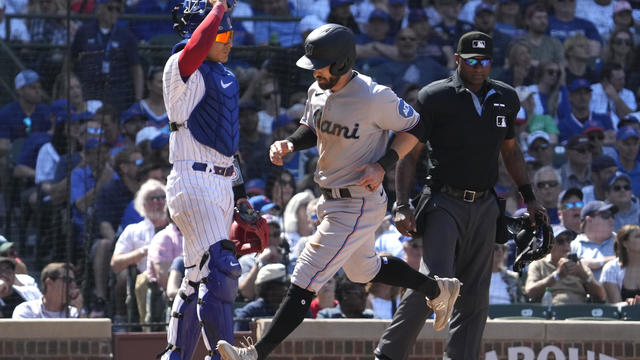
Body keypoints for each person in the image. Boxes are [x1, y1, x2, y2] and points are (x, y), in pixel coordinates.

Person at [217, 24, 460, 360]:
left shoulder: (375, 96)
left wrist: (384, 164)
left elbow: (418, 127)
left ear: (344, 63)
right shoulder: (319, 90)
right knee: (365, 272)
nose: (315, 70)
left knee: (304, 276)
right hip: (329, 198)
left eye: (321, 65)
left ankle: (255, 353)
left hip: (358, 201)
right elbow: (312, 127)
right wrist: (290, 142)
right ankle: (439, 288)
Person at [375, 31, 547, 360]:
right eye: (471, 61)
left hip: (485, 204)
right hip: (443, 200)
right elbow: (409, 153)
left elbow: (510, 152)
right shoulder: (434, 96)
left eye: (484, 62)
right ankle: (388, 355)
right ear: (457, 60)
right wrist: (401, 204)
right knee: (436, 281)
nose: (478, 67)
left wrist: (530, 197)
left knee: (476, 295)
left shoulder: (506, 97)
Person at [160, 0, 253, 358]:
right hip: (192, 179)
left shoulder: (225, 74)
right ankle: (222, 353)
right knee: (222, 267)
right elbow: (196, 48)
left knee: (196, 276)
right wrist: (217, 10)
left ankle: (176, 354)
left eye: (230, 32)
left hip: (220, 182)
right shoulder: (180, 67)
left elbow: (226, 146)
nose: (229, 41)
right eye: (222, 34)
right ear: (201, 32)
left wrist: (241, 196)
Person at [525, 226, 606, 304]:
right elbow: (529, 292)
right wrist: (557, 275)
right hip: (551, 312)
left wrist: (583, 275)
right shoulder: (539, 264)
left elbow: (601, 295)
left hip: (580, 313)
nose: (566, 245)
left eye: (568, 240)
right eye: (560, 241)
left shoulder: (579, 265)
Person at [12, 263, 83, 318]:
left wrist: (79, 311)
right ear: (49, 283)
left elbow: (84, 335)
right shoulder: (27, 311)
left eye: (73, 281)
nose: (73, 285)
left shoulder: (74, 312)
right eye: (67, 280)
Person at [234, 263, 291, 331]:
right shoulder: (250, 313)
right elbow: (239, 338)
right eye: (282, 286)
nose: (286, 289)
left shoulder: (294, 309)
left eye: (288, 285)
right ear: (268, 289)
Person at [572, 200, 617, 280]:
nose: (611, 220)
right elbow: (570, 268)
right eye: (606, 215)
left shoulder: (622, 241)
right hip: (585, 292)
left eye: (612, 216)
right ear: (589, 220)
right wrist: (608, 260)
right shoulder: (574, 246)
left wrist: (595, 263)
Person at [600, 224, 640, 305]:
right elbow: (616, 305)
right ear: (625, 243)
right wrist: (628, 304)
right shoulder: (611, 268)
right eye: (638, 236)